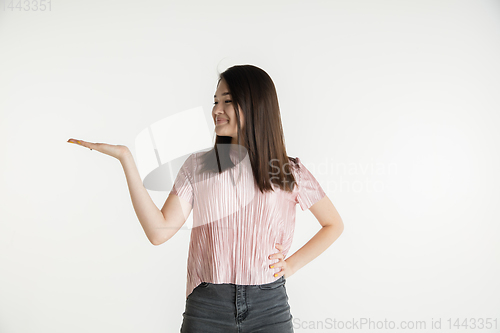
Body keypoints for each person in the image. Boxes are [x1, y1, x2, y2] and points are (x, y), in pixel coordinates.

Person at [67, 64, 344, 333]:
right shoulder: (198, 166)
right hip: (208, 305)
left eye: (227, 101)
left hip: (269, 306)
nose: (216, 110)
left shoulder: (288, 171)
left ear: (255, 105)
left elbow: (333, 224)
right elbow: (157, 232)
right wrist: (126, 158)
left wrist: (291, 264)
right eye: (215, 101)